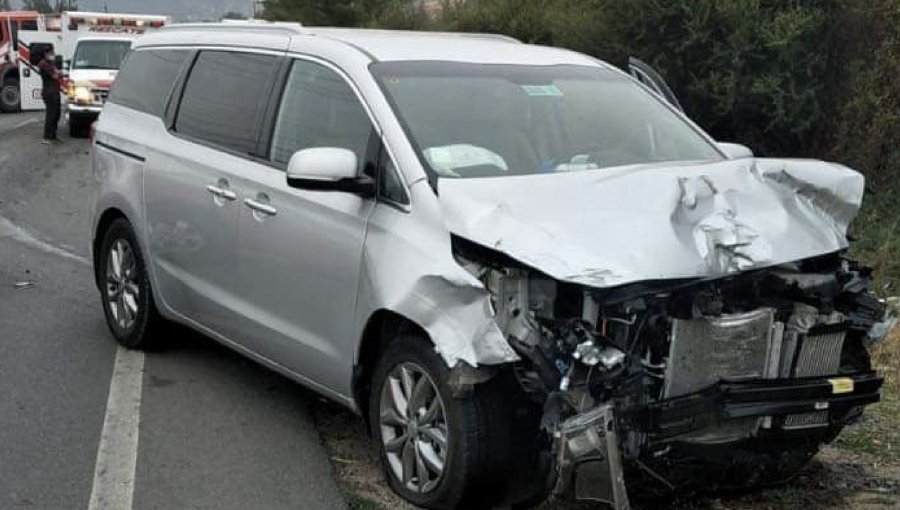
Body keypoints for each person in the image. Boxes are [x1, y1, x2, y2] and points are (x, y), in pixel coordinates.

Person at [37, 47, 61, 144]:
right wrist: (60, 74)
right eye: (51, 53)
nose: (52, 54)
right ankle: (46, 137)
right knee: (51, 114)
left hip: (55, 91)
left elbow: (56, 71)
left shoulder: (50, 63)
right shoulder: (43, 64)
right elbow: (55, 76)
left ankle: (53, 135)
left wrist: (58, 72)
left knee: (57, 113)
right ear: (46, 53)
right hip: (49, 92)